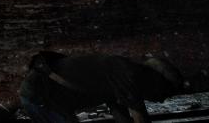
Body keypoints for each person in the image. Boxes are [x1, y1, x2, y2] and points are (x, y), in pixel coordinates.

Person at [19, 51, 185, 123]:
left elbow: (121, 113)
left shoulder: (120, 75)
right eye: (166, 92)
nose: (163, 100)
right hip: (39, 94)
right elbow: (140, 117)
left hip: (44, 92)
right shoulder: (129, 75)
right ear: (157, 80)